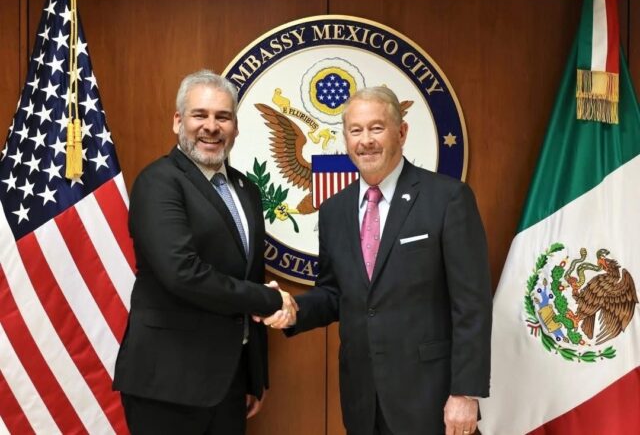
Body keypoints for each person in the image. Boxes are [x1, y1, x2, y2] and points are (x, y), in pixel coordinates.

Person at [264, 86, 493, 435]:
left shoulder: (447, 199)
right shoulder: (334, 210)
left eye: (376, 128)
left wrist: (465, 392)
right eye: (356, 130)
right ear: (346, 138)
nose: (366, 141)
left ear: (401, 132)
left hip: (430, 398)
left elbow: (472, 304)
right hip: (362, 399)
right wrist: (293, 310)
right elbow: (335, 293)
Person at [113, 69, 297, 435]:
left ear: (235, 127)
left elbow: (250, 274)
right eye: (200, 115)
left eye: (223, 117)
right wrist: (268, 300)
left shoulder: (246, 189)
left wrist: (253, 375)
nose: (211, 127)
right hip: (168, 385)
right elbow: (182, 273)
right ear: (178, 121)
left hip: (229, 382)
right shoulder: (158, 181)